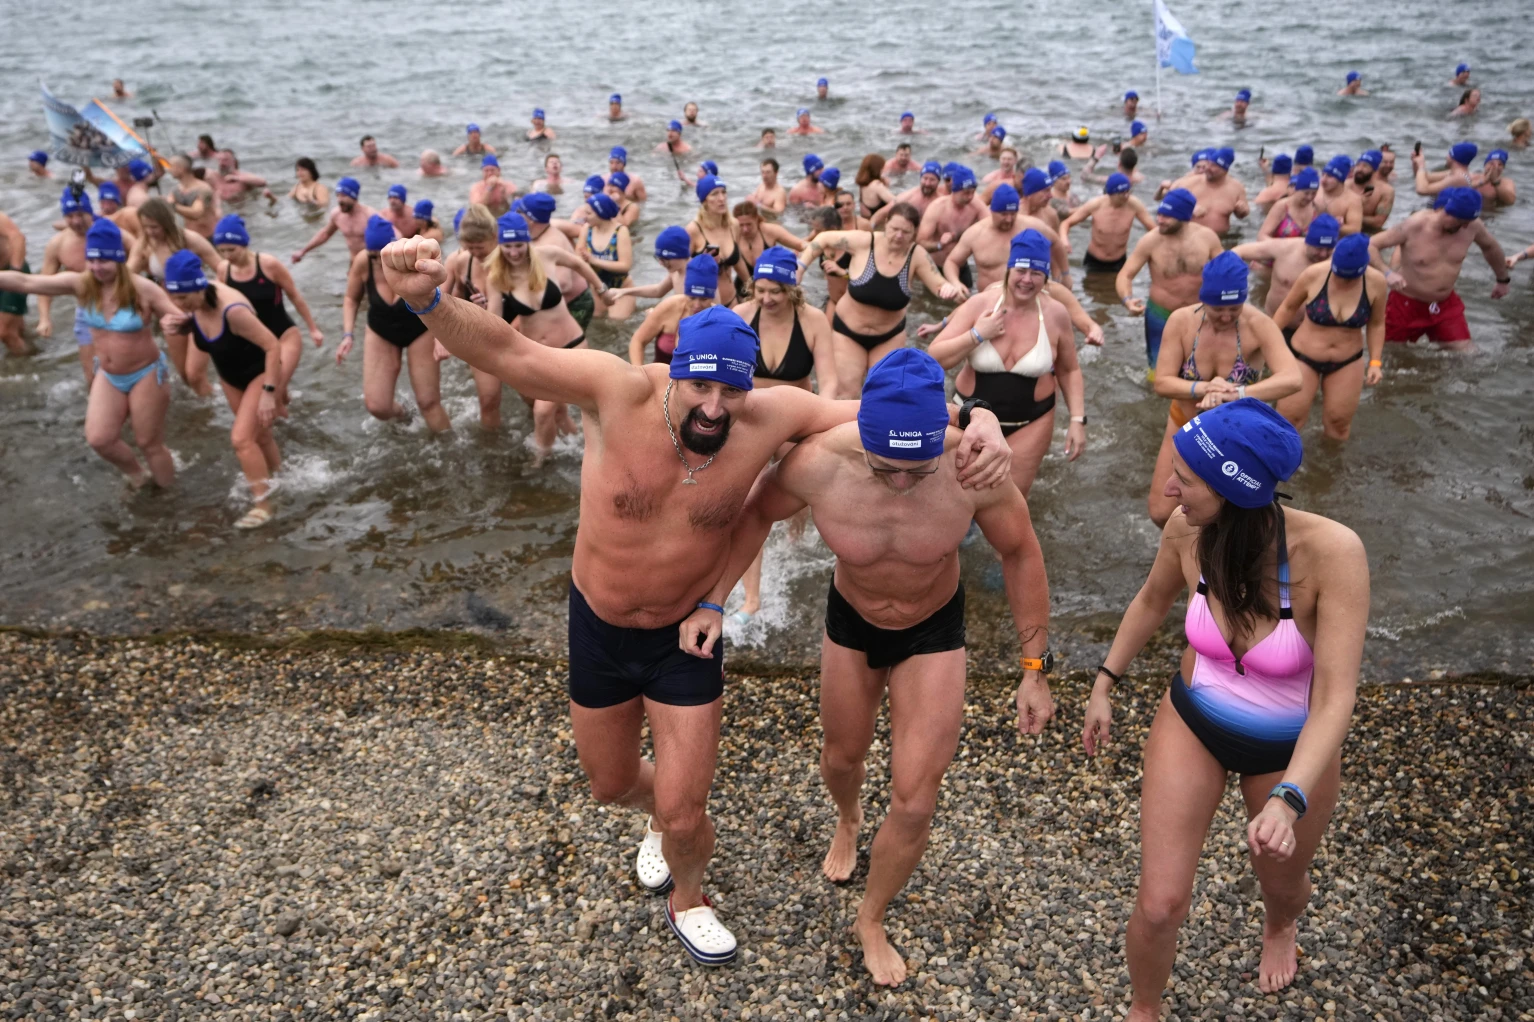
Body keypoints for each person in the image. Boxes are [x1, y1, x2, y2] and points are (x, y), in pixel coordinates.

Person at [371, 237, 1012, 968]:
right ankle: (658, 823)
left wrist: (981, 420)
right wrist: (426, 300)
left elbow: (890, 416)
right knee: (612, 786)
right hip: (600, 624)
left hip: (687, 633)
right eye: (700, 387)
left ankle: (690, 895)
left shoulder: (769, 415)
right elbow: (509, 353)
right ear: (673, 367)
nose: (714, 407)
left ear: (749, 386)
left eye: (730, 391)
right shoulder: (616, 391)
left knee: (686, 810)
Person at [681, 347, 1049, 985]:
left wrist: (1033, 666)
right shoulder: (818, 464)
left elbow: (1021, 554)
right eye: (887, 467)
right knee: (841, 758)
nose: (903, 482)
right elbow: (755, 518)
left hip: (933, 630)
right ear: (864, 440)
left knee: (913, 800)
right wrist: (715, 599)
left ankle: (871, 918)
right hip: (851, 622)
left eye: (917, 467)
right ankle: (849, 818)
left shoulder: (973, 469)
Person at [1086, 396, 1367, 1016]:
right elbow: (1150, 601)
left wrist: (1290, 797)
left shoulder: (1333, 553)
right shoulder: (1185, 530)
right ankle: (1145, 1008)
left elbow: (1336, 697)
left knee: (1284, 884)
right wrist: (1105, 682)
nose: (1167, 489)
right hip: (1195, 721)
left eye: (1184, 479)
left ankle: (1279, 924)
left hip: (1289, 747)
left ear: (1232, 488)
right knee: (1160, 902)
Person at [0, 220, 181, 488]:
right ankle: (138, 476)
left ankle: (169, 496)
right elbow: (27, 282)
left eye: (103, 261)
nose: (96, 268)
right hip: (108, 375)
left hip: (145, 373)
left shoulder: (142, 288)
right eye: (91, 261)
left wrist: (175, 324)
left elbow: (182, 317)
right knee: (99, 439)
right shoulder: (82, 284)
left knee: (148, 442)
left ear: (118, 259)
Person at [717, 247, 839, 622]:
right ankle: (751, 598)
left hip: (796, 415)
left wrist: (820, 419)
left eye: (776, 291)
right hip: (750, 417)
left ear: (793, 288)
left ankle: (793, 540)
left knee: (793, 494)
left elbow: (830, 380)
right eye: (761, 290)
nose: (767, 299)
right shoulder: (741, 315)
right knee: (748, 505)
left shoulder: (813, 320)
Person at [1147, 252, 1302, 526]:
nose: (1227, 316)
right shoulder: (1181, 322)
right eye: (1219, 309)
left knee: (1227, 519)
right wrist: (1207, 387)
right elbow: (1162, 382)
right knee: (1161, 512)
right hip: (1187, 422)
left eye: (1235, 308)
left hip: (1235, 437)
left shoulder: (1258, 324)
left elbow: (1292, 378)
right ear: (1204, 298)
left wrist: (1235, 393)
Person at [929, 229, 1085, 495]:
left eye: (1036, 273)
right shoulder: (980, 305)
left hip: (1031, 422)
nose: (1027, 280)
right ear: (1008, 271)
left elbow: (1069, 370)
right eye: (1021, 271)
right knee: (956, 496)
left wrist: (1077, 420)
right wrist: (977, 335)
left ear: (1045, 277)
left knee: (1009, 500)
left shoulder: (1056, 314)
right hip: (968, 417)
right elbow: (933, 359)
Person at [161, 249, 283, 528]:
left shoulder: (233, 310)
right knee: (260, 436)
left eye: (182, 297)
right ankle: (281, 478)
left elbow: (272, 345)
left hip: (259, 372)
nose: (177, 304)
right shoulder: (196, 306)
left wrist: (268, 392)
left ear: (199, 287)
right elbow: (208, 331)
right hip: (231, 376)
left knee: (241, 439)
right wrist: (184, 327)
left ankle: (264, 505)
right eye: (173, 296)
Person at [798, 202, 960, 398]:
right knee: (845, 394)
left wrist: (949, 288)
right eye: (894, 229)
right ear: (885, 223)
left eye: (906, 232)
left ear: (915, 232)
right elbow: (823, 239)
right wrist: (799, 269)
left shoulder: (916, 255)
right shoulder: (865, 242)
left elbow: (938, 284)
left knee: (884, 394)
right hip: (848, 332)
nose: (899, 236)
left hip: (889, 336)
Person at [487, 212, 613, 463]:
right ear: (500, 245)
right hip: (538, 354)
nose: (514, 252)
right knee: (558, 414)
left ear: (528, 242)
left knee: (543, 412)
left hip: (571, 346)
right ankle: (585, 452)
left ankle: (539, 462)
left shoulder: (546, 255)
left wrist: (601, 289)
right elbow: (494, 321)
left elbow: (578, 264)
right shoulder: (497, 277)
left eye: (519, 245)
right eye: (508, 246)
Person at [1269, 235, 1386, 441]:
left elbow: (1376, 324)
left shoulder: (1376, 282)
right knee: (1288, 421)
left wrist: (1375, 362)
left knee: (1338, 425)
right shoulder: (1313, 275)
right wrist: (1269, 343)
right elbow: (1287, 308)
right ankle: (1276, 468)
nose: (1343, 281)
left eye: (1350, 277)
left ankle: (1328, 471)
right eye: (1339, 274)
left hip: (1347, 361)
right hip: (1303, 357)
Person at [338, 216, 448, 432]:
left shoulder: (410, 259)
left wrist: (441, 336)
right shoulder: (364, 261)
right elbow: (351, 299)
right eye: (373, 256)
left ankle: (450, 449)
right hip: (381, 330)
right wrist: (348, 334)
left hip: (419, 329)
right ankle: (405, 415)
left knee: (429, 402)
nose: (379, 261)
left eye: (382, 255)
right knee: (377, 406)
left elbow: (440, 297)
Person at [1369, 188, 1510, 347]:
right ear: (1444, 210)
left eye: (1467, 222)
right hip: (1405, 305)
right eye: (1461, 221)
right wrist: (1387, 273)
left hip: (1444, 305)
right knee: (1390, 353)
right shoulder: (1414, 225)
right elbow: (1370, 245)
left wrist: (1502, 279)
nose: (1464, 227)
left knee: (1468, 356)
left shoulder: (1472, 226)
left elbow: (1490, 247)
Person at [211, 214, 323, 401]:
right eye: (222, 251)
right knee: (277, 398)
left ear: (244, 244)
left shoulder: (268, 265)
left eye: (231, 250)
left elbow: (294, 295)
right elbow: (219, 303)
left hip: (283, 337)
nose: (227, 256)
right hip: (254, 343)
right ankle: (292, 421)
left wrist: (313, 329)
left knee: (274, 389)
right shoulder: (224, 270)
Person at [1116, 189, 1224, 372]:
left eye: (1167, 216)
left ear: (1184, 217)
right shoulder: (1150, 241)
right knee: (1158, 370)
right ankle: (1155, 398)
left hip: (1198, 314)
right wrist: (1127, 300)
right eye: (1159, 214)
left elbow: (1225, 271)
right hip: (1161, 314)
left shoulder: (1207, 238)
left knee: (1199, 368)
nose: (1159, 220)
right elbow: (1125, 275)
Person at [942, 184, 1064, 289]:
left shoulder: (1031, 226)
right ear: (992, 211)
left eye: (1013, 214)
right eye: (1004, 214)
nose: (1009, 219)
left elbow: (1056, 243)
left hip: (1026, 299)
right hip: (989, 300)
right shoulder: (975, 234)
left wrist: (1064, 274)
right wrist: (955, 283)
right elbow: (952, 262)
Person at [1232, 214, 1340, 321]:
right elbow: (1238, 252)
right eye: (1319, 248)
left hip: (1312, 332)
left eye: (1328, 249)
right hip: (1274, 324)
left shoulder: (1339, 260)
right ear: (1308, 241)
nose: (1323, 254)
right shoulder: (1284, 248)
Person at [38, 187, 98, 380]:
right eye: (70, 216)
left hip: (120, 306)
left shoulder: (111, 234)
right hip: (86, 311)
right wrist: (44, 318)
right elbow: (44, 284)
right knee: (91, 376)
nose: (76, 221)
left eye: (81, 214)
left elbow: (141, 256)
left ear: (90, 212)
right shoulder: (57, 244)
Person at [627, 254, 721, 367]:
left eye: (704, 299)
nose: (697, 304)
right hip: (659, 379)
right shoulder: (669, 306)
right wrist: (640, 373)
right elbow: (638, 341)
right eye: (692, 297)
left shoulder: (718, 319)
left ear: (712, 297)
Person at [1061, 173, 1155, 275]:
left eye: (1128, 191)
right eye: (1122, 193)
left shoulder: (1134, 205)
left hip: (1119, 261)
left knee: (1115, 290)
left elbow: (1154, 229)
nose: (1127, 196)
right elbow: (1066, 223)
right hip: (1094, 261)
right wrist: (1064, 240)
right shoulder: (1095, 205)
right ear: (1111, 194)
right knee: (1090, 289)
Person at [917, 166, 985, 289]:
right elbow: (920, 243)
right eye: (966, 193)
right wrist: (939, 245)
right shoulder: (937, 208)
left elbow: (991, 226)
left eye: (973, 192)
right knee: (932, 305)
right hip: (937, 268)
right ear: (955, 190)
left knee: (967, 300)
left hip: (960, 266)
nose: (970, 197)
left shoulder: (976, 205)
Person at [685, 176, 743, 306]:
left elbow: (738, 262)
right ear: (704, 201)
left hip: (732, 301)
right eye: (714, 194)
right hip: (704, 307)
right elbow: (681, 271)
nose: (721, 198)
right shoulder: (694, 230)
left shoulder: (734, 225)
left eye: (723, 192)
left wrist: (753, 288)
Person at [291, 176, 374, 265]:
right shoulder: (337, 214)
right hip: (354, 262)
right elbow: (325, 234)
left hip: (373, 264)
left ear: (354, 197)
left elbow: (388, 239)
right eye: (338, 195)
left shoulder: (370, 216)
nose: (339, 200)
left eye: (344, 196)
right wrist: (303, 251)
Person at [732, 200, 805, 294]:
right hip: (744, 287)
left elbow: (802, 245)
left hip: (772, 288)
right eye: (741, 225)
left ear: (757, 219)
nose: (745, 229)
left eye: (749, 224)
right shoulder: (732, 236)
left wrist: (800, 265)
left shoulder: (770, 231)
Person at [582, 193, 635, 319]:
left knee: (616, 323)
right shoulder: (587, 229)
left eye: (589, 214)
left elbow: (625, 266)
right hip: (597, 288)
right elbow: (578, 257)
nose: (584, 217)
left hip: (620, 288)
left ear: (601, 214)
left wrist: (594, 260)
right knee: (596, 323)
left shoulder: (620, 231)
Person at [1176, 147, 1249, 234]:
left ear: (1225, 169)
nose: (1207, 168)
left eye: (1214, 166)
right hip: (1192, 237)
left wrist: (1242, 211)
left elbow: (1242, 215)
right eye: (1209, 164)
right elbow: (1168, 210)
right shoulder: (1188, 183)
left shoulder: (1237, 188)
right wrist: (1189, 210)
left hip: (1222, 239)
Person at [1258, 167, 1320, 241]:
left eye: (1314, 193)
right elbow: (1261, 236)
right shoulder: (1282, 207)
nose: (1309, 197)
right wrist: (1285, 247)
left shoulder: (1316, 208)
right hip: (1280, 251)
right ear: (1297, 189)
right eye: (1306, 193)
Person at [168, 155, 220, 238]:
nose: (168, 169)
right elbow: (167, 204)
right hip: (191, 237)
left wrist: (173, 206)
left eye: (171, 166)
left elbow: (196, 213)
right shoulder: (176, 190)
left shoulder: (203, 188)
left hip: (210, 236)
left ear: (181, 168)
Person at [878, 161, 943, 226]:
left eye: (932, 180)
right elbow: (880, 214)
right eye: (925, 178)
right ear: (920, 178)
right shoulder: (908, 196)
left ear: (938, 181)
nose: (927, 183)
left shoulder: (942, 203)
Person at [0, 211, 28, 355]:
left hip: (11, 271)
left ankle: (27, 369)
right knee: (15, 329)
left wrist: (15, 270)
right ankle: (32, 352)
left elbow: (17, 237)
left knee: (4, 333)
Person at [1313, 156, 1363, 235]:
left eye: (1329, 176)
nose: (1323, 180)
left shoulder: (1353, 200)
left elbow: (1355, 229)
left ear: (1340, 179)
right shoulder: (1314, 190)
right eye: (1323, 174)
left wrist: (1333, 225)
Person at [1347, 151, 1395, 233]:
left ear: (1375, 170)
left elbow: (1379, 222)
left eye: (1365, 166)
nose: (1360, 169)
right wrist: (1357, 203)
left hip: (1368, 233)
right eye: (1358, 165)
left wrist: (1353, 215)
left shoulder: (1386, 191)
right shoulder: (1345, 185)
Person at [208, 150, 275, 204]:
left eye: (225, 160)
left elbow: (262, 182)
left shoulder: (242, 176)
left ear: (233, 162)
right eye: (219, 160)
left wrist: (236, 178)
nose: (221, 163)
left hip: (241, 210)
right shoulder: (213, 176)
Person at [1020, 168, 1062, 234]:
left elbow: (1057, 243)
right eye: (1046, 191)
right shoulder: (1013, 216)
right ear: (1031, 193)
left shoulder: (1051, 215)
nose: (1050, 196)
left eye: (1050, 190)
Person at [856, 154, 897, 220]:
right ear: (877, 169)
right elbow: (896, 202)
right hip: (878, 223)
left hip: (867, 219)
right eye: (882, 168)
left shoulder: (863, 184)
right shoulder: (876, 185)